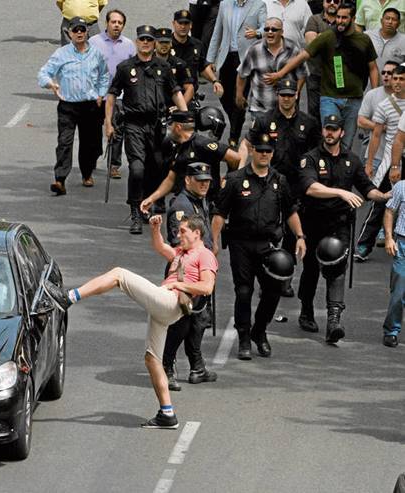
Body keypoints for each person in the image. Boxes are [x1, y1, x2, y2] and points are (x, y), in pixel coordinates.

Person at [66, 214, 218, 429]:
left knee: (119, 274)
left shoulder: (205, 255)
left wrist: (178, 286)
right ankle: (167, 414)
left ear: (197, 233)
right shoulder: (179, 253)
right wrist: (155, 228)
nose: (178, 234)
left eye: (183, 231)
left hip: (171, 301)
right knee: (151, 358)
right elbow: (159, 247)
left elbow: (206, 287)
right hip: (164, 307)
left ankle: (69, 297)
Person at [296, 114, 390, 343]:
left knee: (336, 269)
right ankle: (306, 310)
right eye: (327, 129)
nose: (330, 133)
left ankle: (334, 321)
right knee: (311, 271)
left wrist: (387, 196)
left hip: (339, 225)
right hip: (313, 222)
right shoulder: (310, 158)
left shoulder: (352, 160)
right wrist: (341, 192)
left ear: (341, 133)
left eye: (334, 129)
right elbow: (310, 187)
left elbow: (368, 190)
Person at [212, 131, 306, 359]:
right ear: (252, 151)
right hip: (240, 244)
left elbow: (291, 211)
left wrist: (301, 236)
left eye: (268, 151)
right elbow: (219, 214)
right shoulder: (235, 180)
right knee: (243, 292)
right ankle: (244, 337)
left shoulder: (279, 181)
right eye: (260, 150)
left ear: (272, 154)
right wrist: (213, 243)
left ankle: (259, 331)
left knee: (274, 291)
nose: (264, 154)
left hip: (269, 246)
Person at [105, 25, 188, 234]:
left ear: (153, 43)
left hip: (157, 125)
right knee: (137, 169)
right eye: (142, 39)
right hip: (133, 124)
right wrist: (108, 122)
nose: (145, 43)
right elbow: (112, 94)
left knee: (157, 167)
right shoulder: (126, 68)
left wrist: (186, 117)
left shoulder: (163, 67)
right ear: (137, 41)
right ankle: (134, 211)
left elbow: (176, 92)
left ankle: (148, 205)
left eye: (149, 40)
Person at [242, 77, 320, 296]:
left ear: (297, 95)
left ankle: (285, 277)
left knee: (291, 234)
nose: (286, 99)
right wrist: (240, 170)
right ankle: (265, 276)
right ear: (277, 96)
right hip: (269, 182)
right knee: (267, 231)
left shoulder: (309, 122)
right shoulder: (265, 120)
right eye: (282, 95)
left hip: (297, 186)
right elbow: (248, 144)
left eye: (290, 94)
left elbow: (316, 153)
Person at [268, 3, 379, 149]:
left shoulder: (363, 40)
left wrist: (375, 94)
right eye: (338, 17)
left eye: (344, 18)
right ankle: (324, 169)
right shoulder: (328, 36)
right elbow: (303, 55)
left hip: (354, 99)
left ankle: (340, 171)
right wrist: (280, 73)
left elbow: (373, 68)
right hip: (330, 97)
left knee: (346, 143)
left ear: (353, 18)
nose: (340, 20)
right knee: (330, 137)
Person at [38, 17, 109, 196]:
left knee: (90, 143)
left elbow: (104, 75)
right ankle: (59, 179)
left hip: (90, 105)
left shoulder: (96, 54)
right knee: (64, 142)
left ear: (86, 32)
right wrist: (50, 84)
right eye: (75, 30)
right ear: (69, 33)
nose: (79, 33)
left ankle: (87, 173)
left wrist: (101, 94)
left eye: (82, 30)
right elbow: (43, 73)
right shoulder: (61, 54)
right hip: (68, 106)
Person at [162, 163, 218, 391]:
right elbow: (180, 244)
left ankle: (197, 366)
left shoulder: (198, 199)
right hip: (185, 272)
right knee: (180, 323)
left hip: (199, 268)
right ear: (187, 181)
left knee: (199, 320)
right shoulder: (182, 205)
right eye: (199, 179)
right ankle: (167, 366)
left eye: (207, 180)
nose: (204, 183)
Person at [140, 111, 242, 215]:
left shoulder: (202, 144)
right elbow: (171, 179)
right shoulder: (179, 147)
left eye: (171, 126)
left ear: (178, 127)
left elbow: (235, 158)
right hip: (186, 201)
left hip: (207, 204)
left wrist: (227, 181)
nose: (169, 130)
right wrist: (151, 199)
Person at [356, 65, 405, 260]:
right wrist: (369, 164)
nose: (397, 83)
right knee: (381, 203)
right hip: (392, 161)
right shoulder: (384, 105)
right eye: (395, 79)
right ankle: (363, 245)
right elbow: (375, 135)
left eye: (402, 79)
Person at [205, 0, 267, 147]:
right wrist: (209, 59)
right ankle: (236, 119)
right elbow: (217, 32)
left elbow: (267, 27)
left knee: (239, 97)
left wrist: (257, 32)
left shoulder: (259, 5)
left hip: (246, 58)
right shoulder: (225, 4)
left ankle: (233, 137)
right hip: (226, 56)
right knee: (224, 95)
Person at [89, 9, 135, 179]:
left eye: (120, 23)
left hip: (119, 96)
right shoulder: (94, 42)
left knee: (116, 129)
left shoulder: (129, 45)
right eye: (113, 22)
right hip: (97, 95)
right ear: (107, 23)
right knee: (93, 130)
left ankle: (114, 164)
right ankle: (91, 159)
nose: (116, 25)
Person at [237, 17, 306, 122]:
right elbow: (242, 74)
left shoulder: (293, 49)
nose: (270, 32)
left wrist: (296, 92)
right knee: (260, 138)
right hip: (260, 109)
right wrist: (239, 94)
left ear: (282, 32)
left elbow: (302, 74)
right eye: (266, 29)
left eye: (274, 29)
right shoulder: (254, 49)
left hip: (287, 109)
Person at [171, 9, 224, 111]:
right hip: (169, 96)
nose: (183, 26)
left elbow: (202, 67)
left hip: (190, 96)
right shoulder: (166, 45)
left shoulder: (197, 45)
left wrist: (215, 81)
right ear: (173, 24)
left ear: (191, 25)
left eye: (186, 23)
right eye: (180, 23)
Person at [357, 60, 398, 181]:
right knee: (370, 191)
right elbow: (360, 121)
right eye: (383, 72)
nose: (385, 75)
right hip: (375, 155)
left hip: (397, 158)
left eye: (390, 73)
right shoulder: (372, 94)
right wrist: (381, 127)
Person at [304, 0, 337, 121]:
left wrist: (320, 36)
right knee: (314, 113)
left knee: (335, 112)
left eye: (336, 1)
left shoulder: (344, 20)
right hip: (315, 74)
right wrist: (335, 39)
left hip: (337, 75)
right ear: (323, 2)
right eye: (328, 0)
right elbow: (311, 43)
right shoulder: (314, 19)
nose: (332, 3)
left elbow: (349, 45)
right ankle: (315, 140)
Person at [382, 175, 405, 347]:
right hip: (403, 244)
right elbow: (390, 211)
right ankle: (391, 331)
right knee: (398, 291)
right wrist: (389, 238)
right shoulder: (401, 187)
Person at [154, 28, 195, 107]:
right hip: (153, 106)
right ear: (155, 44)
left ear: (171, 44)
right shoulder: (148, 62)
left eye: (166, 42)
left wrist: (180, 107)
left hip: (174, 105)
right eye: (161, 42)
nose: (164, 45)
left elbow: (190, 88)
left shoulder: (179, 64)